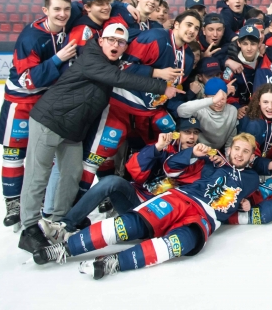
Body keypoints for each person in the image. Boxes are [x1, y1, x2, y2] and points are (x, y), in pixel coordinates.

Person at [17, 24, 177, 252]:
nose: (115, 45)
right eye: (111, 40)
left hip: (73, 129)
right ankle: (29, 228)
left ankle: (61, 222)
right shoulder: (91, 57)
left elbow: (130, 72)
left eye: (121, 42)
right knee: (37, 174)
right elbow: (119, 78)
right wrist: (161, 87)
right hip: (49, 120)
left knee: (71, 175)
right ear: (101, 40)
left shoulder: (111, 61)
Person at [33, 134, 261, 279]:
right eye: (237, 149)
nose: (240, 154)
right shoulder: (207, 159)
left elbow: (259, 186)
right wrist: (190, 152)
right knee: (128, 225)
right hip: (177, 199)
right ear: (229, 150)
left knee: (179, 244)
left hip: (203, 218)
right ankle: (64, 247)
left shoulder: (250, 178)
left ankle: (114, 263)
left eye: (246, 151)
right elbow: (170, 167)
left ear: (251, 157)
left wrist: (250, 202)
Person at [79, 11, 200, 197]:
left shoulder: (189, 57)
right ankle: (81, 198)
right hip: (121, 105)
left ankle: (138, 191)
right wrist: (156, 73)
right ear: (176, 25)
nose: (192, 30)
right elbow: (123, 67)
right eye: (188, 25)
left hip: (149, 112)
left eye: (196, 28)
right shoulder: (155, 37)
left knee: (166, 142)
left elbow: (172, 89)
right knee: (101, 151)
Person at [39, 118, 202, 244]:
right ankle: (65, 226)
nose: (192, 137)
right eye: (187, 132)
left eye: (195, 132)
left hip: (160, 212)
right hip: (138, 200)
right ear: (178, 133)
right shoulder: (164, 146)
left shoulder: (200, 156)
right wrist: (156, 148)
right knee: (112, 181)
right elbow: (135, 170)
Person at [0, 0, 77, 228]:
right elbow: (27, 79)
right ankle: (13, 203)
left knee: (43, 155)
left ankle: (37, 200)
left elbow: (90, 5)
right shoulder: (31, 37)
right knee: (14, 154)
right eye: (56, 9)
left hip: (46, 103)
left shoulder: (67, 25)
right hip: (21, 101)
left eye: (67, 9)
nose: (62, 14)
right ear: (45, 11)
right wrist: (58, 59)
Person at [177, 78, 238, 152]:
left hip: (218, 152)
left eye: (222, 99)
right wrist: (212, 100)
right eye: (214, 98)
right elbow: (180, 111)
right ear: (205, 97)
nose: (218, 103)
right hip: (198, 150)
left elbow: (230, 141)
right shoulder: (199, 109)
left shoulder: (232, 111)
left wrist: (228, 160)